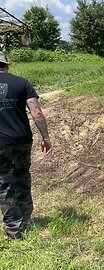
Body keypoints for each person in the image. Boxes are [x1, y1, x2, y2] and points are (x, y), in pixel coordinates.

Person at [0, 51, 52, 240]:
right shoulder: (22, 82)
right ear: (8, 64)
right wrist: (45, 137)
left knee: (4, 184)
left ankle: (14, 230)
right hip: (22, 140)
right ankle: (25, 218)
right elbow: (36, 112)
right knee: (22, 176)